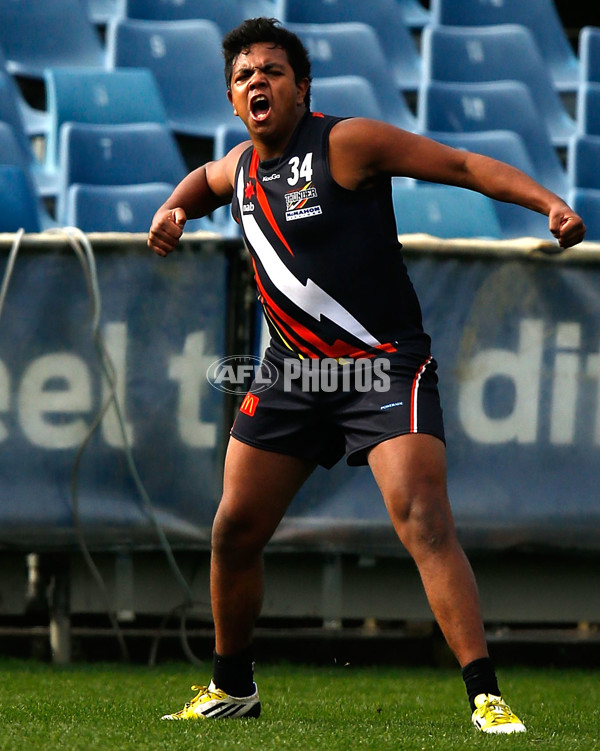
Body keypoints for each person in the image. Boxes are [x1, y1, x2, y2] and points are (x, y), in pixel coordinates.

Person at [148, 17, 585, 733]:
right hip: (292, 375)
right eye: (243, 76)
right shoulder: (239, 168)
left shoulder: (345, 143)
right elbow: (201, 183)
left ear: (301, 87)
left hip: (381, 364)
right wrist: (173, 209)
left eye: (272, 71)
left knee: (422, 517)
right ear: (232, 101)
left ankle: (485, 694)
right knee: (233, 529)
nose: (257, 80)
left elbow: (464, 166)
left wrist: (549, 204)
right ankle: (233, 686)